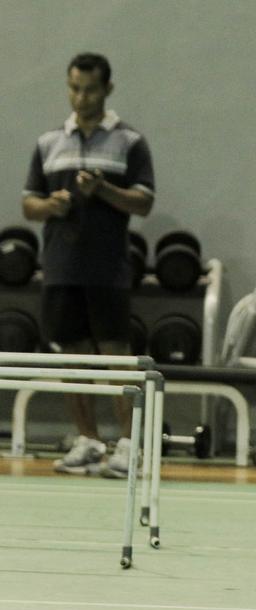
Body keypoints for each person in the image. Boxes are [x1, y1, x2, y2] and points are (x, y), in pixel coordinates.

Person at [21, 52, 155, 478]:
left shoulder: (130, 142)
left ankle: (129, 446)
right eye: (74, 88)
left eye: (90, 89)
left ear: (108, 89)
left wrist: (103, 190)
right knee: (73, 360)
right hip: (61, 267)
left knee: (116, 358)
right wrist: (50, 205)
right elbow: (29, 204)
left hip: (107, 269)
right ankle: (89, 441)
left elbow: (144, 201)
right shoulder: (48, 143)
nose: (81, 97)